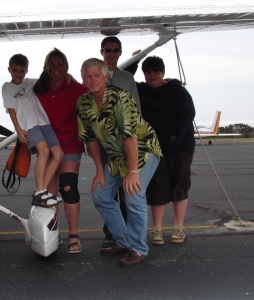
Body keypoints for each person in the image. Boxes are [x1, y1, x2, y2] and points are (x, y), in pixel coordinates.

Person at [76, 58, 161, 267]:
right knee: (100, 194)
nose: (93, 79)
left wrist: (132, 172)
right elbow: (91, 139)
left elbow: (129, 136)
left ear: (106, 76)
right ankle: (124, 242)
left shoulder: (120, 98)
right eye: (88, 75)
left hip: (142, 151)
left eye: (97, 75)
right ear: (83, 79)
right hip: (117, 157)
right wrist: (98, 170)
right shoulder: (83, 103)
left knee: (133, 194)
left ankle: (139, 248)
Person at [137, 56, 196, 245]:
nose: (151, 75)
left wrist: (175, 136)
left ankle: (179, 227)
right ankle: (157, 229)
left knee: (180, 185)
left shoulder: (176, 90)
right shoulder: (142, 91)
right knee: (157, 188)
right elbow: (124, 76)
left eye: (155, 71)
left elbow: (188, 114)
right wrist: (136, 59)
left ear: (162, 72)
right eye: (147, 71)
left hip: (180, 148)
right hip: (155, 150)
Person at [34, 48, 88, 254]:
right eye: (53, 64)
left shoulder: (77, 89)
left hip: (69, 144)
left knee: (68, 187)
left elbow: (95, 100)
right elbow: (18, 93)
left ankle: (73, 234)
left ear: (66, 67)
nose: (56, 69)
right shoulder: (38, 88)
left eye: (60, 64)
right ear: (47, 67)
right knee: (48, 193)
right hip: (47, 146)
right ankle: (52, 233)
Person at [1, 54, 63, 208]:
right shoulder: (7, 87)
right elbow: (11, 109)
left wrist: (66, 75)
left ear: (26, 71)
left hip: (43, 121)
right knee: (43, 151)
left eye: (22, 71)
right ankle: (40, 191)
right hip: (28, 125)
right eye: (15, 70)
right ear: (9, 69)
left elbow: (51, 78)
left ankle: (40, 190)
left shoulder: (31, 83)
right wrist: (18, 130)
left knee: (58, 154)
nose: (18, 74)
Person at [99, 36, 142, 248]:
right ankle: (112, 233)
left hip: (125, 143)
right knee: (107, 191)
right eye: (107, 50)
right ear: (102, 52)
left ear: (120, 52)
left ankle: (130, 236)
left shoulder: (127, 79)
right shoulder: (94, 76)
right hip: (105, 144)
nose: (111, 53)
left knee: (128, 191)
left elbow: (136, 110)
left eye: (115, 50)